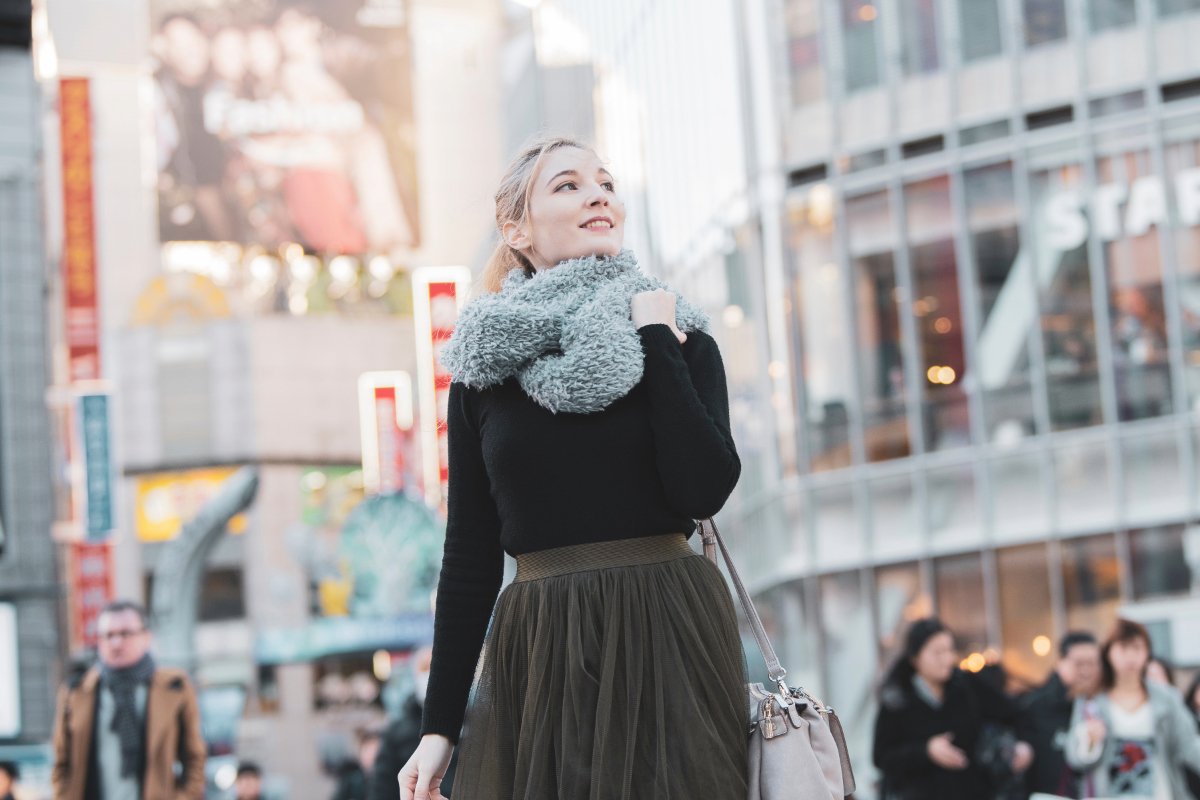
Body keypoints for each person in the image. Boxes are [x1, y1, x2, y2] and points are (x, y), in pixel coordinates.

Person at [396, 135, 747, 800]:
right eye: (569, 185)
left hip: (668, 624)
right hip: (543, 643)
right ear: (517, 230)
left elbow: (702, 490)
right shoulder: (483, 373)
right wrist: (438, 727)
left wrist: (655, 340)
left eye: (606, 184)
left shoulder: (680, 337)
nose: (598, 196)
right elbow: (469, 555)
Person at [51, 599, 206, 800]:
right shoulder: (77, 692)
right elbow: (61, 762)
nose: (116, 643)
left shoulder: (175, 688)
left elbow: (194, 757)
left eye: (125, 634)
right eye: (108, 635)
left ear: (146, 637)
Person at [872, 617, 1034, 799]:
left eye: (950, 650)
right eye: (937, 653)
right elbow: (882, 757)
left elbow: (1014, 713)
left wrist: (1024, 744)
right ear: (915, 658)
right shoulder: (897, 700)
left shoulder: (966, 685)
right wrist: (926, 751)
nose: (947, 659)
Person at [1065, 618, 1200, 798]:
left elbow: (1189, 745)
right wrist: (1089, 740)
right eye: (1123, 648)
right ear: (1108, 652)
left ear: (1147, 653)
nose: (1130, 656)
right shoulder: (1091, 699)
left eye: (1137, 648)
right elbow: (1074, 757)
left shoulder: (1166, 698)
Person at [1018, 631, 1102, 798]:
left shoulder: (1102, 706)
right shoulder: (1036, 707)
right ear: (1060, 662)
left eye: (1092, 663)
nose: (1086, 671)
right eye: (1079, 663)